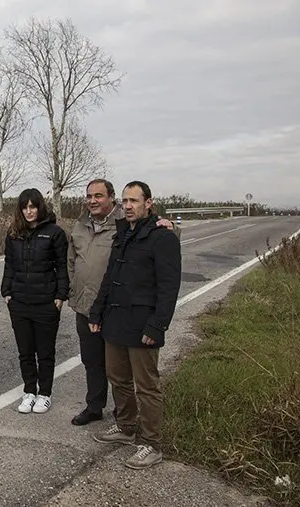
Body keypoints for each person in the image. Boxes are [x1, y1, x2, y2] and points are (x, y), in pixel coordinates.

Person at [88, 180, 181, 470]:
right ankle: (126, 427)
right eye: (125, 201)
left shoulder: (162, 237)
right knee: (119, 379)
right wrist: (97, 312)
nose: (128, 206)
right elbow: (109, 278)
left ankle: (152, 444)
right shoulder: (123, 235)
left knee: (147, 387)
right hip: (115, 322)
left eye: (134, 201)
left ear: (148, 203)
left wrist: (158, 326)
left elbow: (169, 287)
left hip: (143, 325)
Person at [68, 179, 176, 426]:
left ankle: (126, 418)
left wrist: (173, 228)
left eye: (98, 196)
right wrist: (73, 289)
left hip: (118, 309)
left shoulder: (124, 223)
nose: (93, 200)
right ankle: (96, 407)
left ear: (111, 198)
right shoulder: (80, 225)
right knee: (93, 361)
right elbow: (71, 260)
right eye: (89, 196)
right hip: (87, 307)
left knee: (125, 372)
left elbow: (158, 237)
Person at [1, 188, 69, 414]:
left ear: (40, 207)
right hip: (19, 302)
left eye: (33, 206)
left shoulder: (54, 233)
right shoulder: (13, 234)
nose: (29, 211)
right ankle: (29, 391)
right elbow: (9, 265)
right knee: (25, 351)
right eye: (25, 207)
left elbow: (62, 266)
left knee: (45, 352)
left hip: (46, 303)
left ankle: (45, 393)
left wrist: (60, 296)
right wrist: (6, 291)